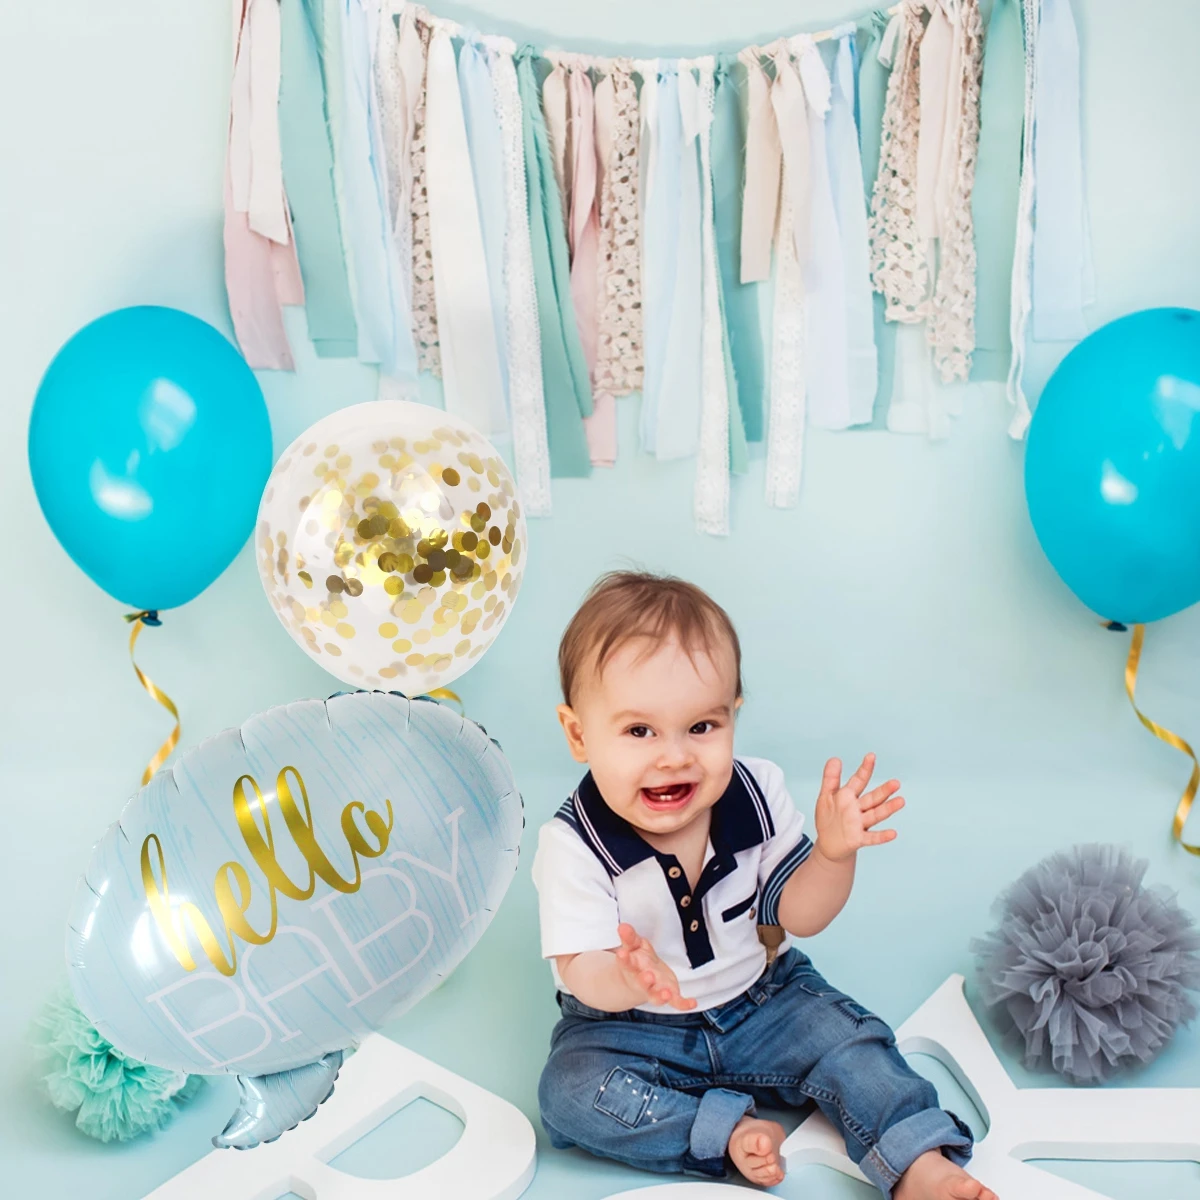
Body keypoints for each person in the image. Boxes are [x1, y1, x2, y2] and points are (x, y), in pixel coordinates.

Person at [532, 571, 997, 1199]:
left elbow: (799, 914)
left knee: (852, 1043)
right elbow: (581, 969)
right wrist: (626, 976)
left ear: (733, 716)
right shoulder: (573, 843)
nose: (674, 756)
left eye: (702, 727)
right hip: (630, 1028)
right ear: (578, 734)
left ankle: (918, 1161)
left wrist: (832, 855)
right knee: (568, 1092)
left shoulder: (757, 794)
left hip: (763, 1002)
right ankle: (723, 1130)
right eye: (639, 731)